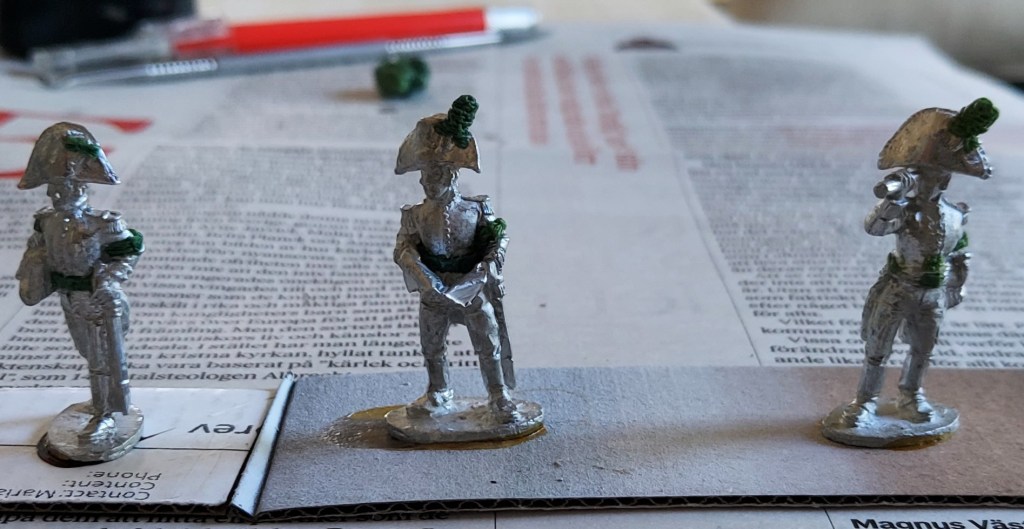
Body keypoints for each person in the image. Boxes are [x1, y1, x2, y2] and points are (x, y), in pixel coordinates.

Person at [822, 98, 998, 447]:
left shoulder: (954, 215)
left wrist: (957, 286)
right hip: (900, 285)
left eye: (940, 176)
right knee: (878, 347)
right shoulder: (904, 210)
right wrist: (891, 203)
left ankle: (911, 395)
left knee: (923, 349)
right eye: (929, 176)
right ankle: (865, 402)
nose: (935, 182)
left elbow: (958, 254)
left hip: (933, 292)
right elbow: (874, 228)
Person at [17, 122, 145, 464]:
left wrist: (110, 281)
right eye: (56, 188)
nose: (60, 194)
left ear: (82, 189)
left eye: (69, 187)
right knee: (88, 353)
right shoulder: (45, 222)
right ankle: (100, 402)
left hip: (97, 298)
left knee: (103, 359)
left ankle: (105, 413)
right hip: (69, 297)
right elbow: (38, 254)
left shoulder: (102, 223)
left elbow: (129, 250)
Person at [391, 95, 518, 422]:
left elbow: (498, 239)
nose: (425, 182)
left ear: (450, 176)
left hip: (472, 288)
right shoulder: (414, 215)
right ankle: (438, 391)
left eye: (433, 175)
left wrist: (489, 266)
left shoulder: (477, 209)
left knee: (487, 344)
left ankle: (498, 395)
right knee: (432, 347)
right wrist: (421, 274)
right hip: (433, 292)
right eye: (424, 176)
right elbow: (403, 247)